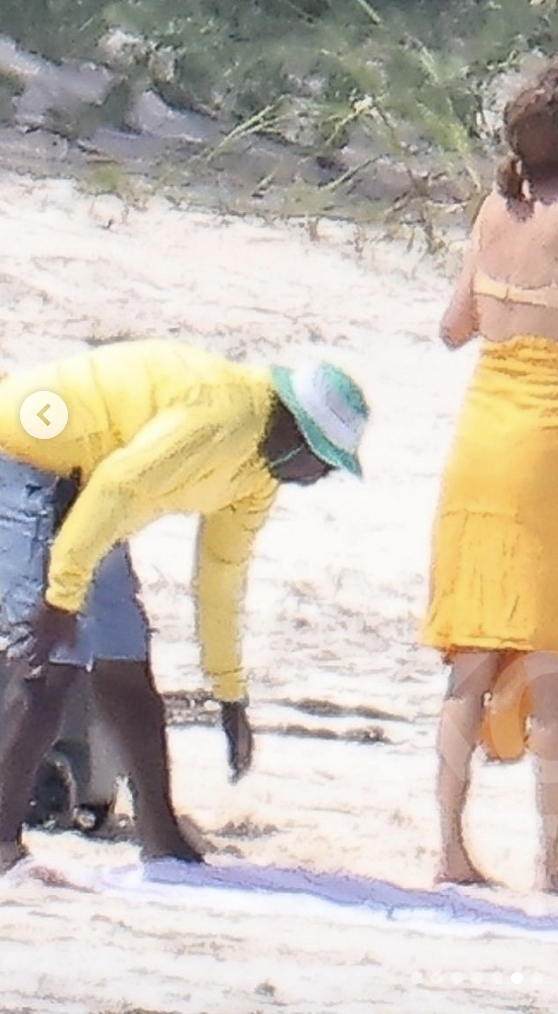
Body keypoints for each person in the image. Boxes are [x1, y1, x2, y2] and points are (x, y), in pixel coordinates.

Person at [0, 338, 369, 873]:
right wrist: (61, 598)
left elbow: (221, 575)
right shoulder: (225, 418)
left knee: (126, 663)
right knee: (49, 663)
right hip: (26, 452)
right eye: (324, 462)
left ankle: (161, 836)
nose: (321, 477)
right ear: (296, 436)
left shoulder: (260, 474)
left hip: (91, 490)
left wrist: (229, 690)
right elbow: (118, 484)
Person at [421, 67, 558, 895]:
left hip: (484, 432)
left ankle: (449, 848)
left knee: (470, 651)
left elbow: (452, 328)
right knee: (550, 652)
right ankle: (547, 859)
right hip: (553, 434)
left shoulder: (494, 211)